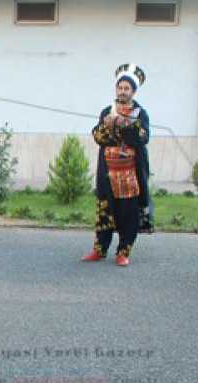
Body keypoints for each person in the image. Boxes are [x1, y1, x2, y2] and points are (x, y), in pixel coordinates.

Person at [82, 64, 153, 266]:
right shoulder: (107, 111)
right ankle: (100, 249)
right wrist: (108, 125)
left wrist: (126, 127)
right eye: (120, 87)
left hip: (130, 174)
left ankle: (123, 251)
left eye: (126, 88)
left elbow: (142, 138)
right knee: (104, 211)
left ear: (133, 91)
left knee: (128, 213)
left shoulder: (141, 113)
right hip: (108, 172)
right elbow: (98, 137)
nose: (122, 91)